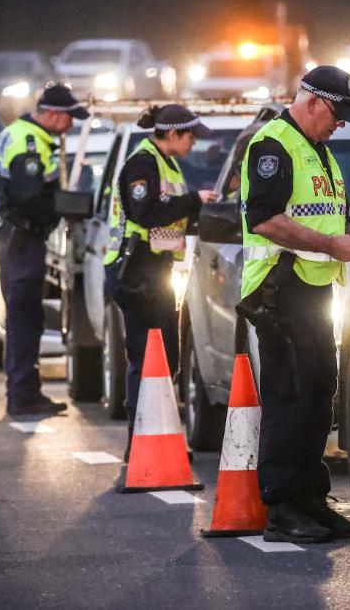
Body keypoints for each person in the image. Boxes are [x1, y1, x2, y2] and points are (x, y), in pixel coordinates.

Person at [240, 66, 350, 543]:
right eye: (337, 114)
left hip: (310, 290)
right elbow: (265, 219)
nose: (341, 124)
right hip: (278, 288)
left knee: (316, 391)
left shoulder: (317, 151)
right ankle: (283, 508)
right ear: (312, 103)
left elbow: (333, 215)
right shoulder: (273, 145)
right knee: (290, 395)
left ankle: (311, 499)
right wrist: (333, 246)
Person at [103, 104, 217, 456]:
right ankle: (140, 444)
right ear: (171, 134)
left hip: (155, 270)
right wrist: (192, 201)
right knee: (146, 358)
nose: (193, 142)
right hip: (135, 271)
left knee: (165, 356)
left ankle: (158, 438)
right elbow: (146, 211)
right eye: (190, 135)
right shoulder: (142, 163)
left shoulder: (165, 163)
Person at [0, 83, 88, 416]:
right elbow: (28, 196)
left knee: (26, 317)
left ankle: (26, 392)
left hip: (21, 236)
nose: (71, 126)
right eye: (69, 118)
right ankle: (22, 395)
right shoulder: (29, 142)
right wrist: (64, 207)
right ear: (52, 114)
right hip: (23, 237)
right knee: (24, 318)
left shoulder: (23, 135)